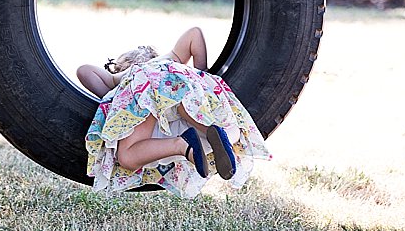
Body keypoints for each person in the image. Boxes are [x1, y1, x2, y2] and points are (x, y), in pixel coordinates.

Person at [78, 27, 270, 198]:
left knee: (127, 156)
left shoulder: (124, 77)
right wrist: (202, 74)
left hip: (147, 91)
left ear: (123, 64)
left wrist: (115, 102)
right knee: (231, 131)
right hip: (184, 90)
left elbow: (84, 71)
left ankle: (182, 146)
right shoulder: (171, 59)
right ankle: (213, 131)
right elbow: (194, 33)